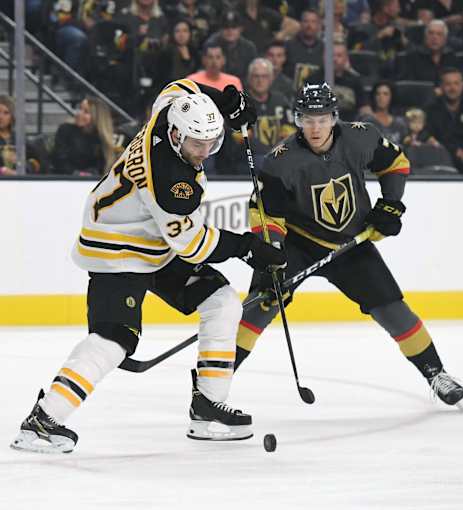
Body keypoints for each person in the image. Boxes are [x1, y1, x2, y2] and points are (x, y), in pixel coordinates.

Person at [11, 79, 286, 454]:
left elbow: (181, 85)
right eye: (196, 144)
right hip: (116, 246)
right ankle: (44, 422)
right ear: (176, 136)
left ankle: (208, 408)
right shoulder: (171, 183)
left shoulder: (169, 112)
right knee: (115, 338)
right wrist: (247, 247)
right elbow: (191, 244)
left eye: (211, 143)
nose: (204, 151)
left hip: (153, 241)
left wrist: (223, 100)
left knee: (221, 301)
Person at [234, 82, 463, 411]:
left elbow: (395, 163)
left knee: (392, 309)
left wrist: (390, 204)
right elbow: (264, 215)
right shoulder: (279, 161)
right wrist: (272, 258)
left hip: (350, 243)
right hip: (297, 244)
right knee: (260, 305)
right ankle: (214, 381)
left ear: (334, 117)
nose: (315, 127)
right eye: (307, 119)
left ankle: (436, 373)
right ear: (297, 119)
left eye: (322, 118)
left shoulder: (361, 136)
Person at [426, 67, 463, 173]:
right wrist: (454, 151)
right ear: (441, 87)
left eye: (456, 83)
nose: (453, 88)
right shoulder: (430, 111)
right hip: (442, 163)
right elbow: (429, 137)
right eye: (448, 84)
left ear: (462, 86)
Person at [51, 96, 117, 175]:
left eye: (86, 112)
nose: (79, 113)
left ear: (97, 117)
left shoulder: (102, 137)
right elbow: (59, 159)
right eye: (80, 109)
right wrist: (77, 173)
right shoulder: (65, 129)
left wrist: (92, 173)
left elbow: (103, 165)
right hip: (65, 179)